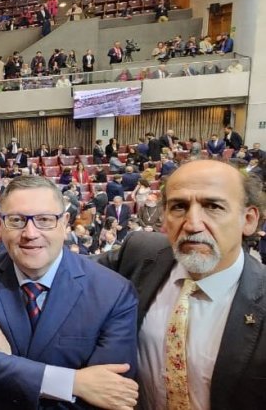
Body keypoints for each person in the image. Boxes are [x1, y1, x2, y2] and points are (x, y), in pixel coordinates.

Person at [0, 175, 138, 409]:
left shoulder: (114, 292)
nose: (30, 233)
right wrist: (73, 382)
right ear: (1, 225)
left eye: (44, 220)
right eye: (16, 220)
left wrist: (9, 363)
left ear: (64, 224)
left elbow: (110, 393)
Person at [99, 159, 266, 408]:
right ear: (164, 217)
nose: (193, 224)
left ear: (249, 219)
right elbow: (65, 271)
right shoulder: (138, 254)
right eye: (179, 206)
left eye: (213, 206)